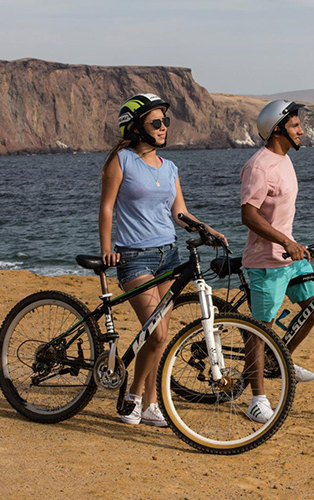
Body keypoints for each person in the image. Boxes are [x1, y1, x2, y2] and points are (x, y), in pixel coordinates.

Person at [99, 93, 226, 426]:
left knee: (159, 336)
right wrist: (106, 247)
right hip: (133, 257)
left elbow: (179, 212)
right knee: (154, 333)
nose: (163, 127)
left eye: (165, 122)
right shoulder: (121, 161)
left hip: (169, 254)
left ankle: (151, 405)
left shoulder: (169, 168)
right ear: (137, 126)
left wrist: (206, 228)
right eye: (156, 122)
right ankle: (133, 397)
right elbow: (107, 207)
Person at [240, 99, 314, 423]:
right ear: (277, 129)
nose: (302, 130)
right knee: (261, 330)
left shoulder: (285, 160)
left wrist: (292, 243)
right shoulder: (259, 166)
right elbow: (248, 214)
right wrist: (285, 242)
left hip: (291, 255)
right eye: (295, 125)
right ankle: (257, 400)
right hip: (266, 261)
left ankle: (282, 359)